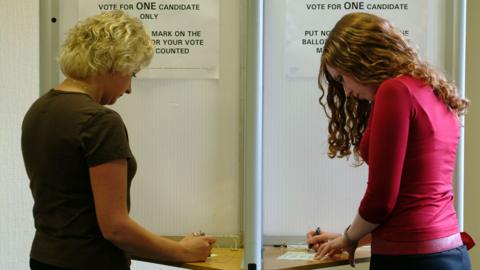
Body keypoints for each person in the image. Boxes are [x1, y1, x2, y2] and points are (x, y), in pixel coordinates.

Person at [22, 10, 215, 270]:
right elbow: (115, 229)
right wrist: (182, 251)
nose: (129, 89)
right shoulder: (100, 121)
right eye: (132, 74)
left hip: (45, 259)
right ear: (114, 65)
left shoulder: (40, 109)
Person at [306, 12, 473, 270]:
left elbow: (381, 199)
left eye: (341, 78)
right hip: (451, 254)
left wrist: (350, 237)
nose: (346, 91)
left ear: (359, 59)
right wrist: (348, 238)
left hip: (411, 261)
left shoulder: (394, 90)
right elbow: (414, 200)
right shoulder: (431, 88)